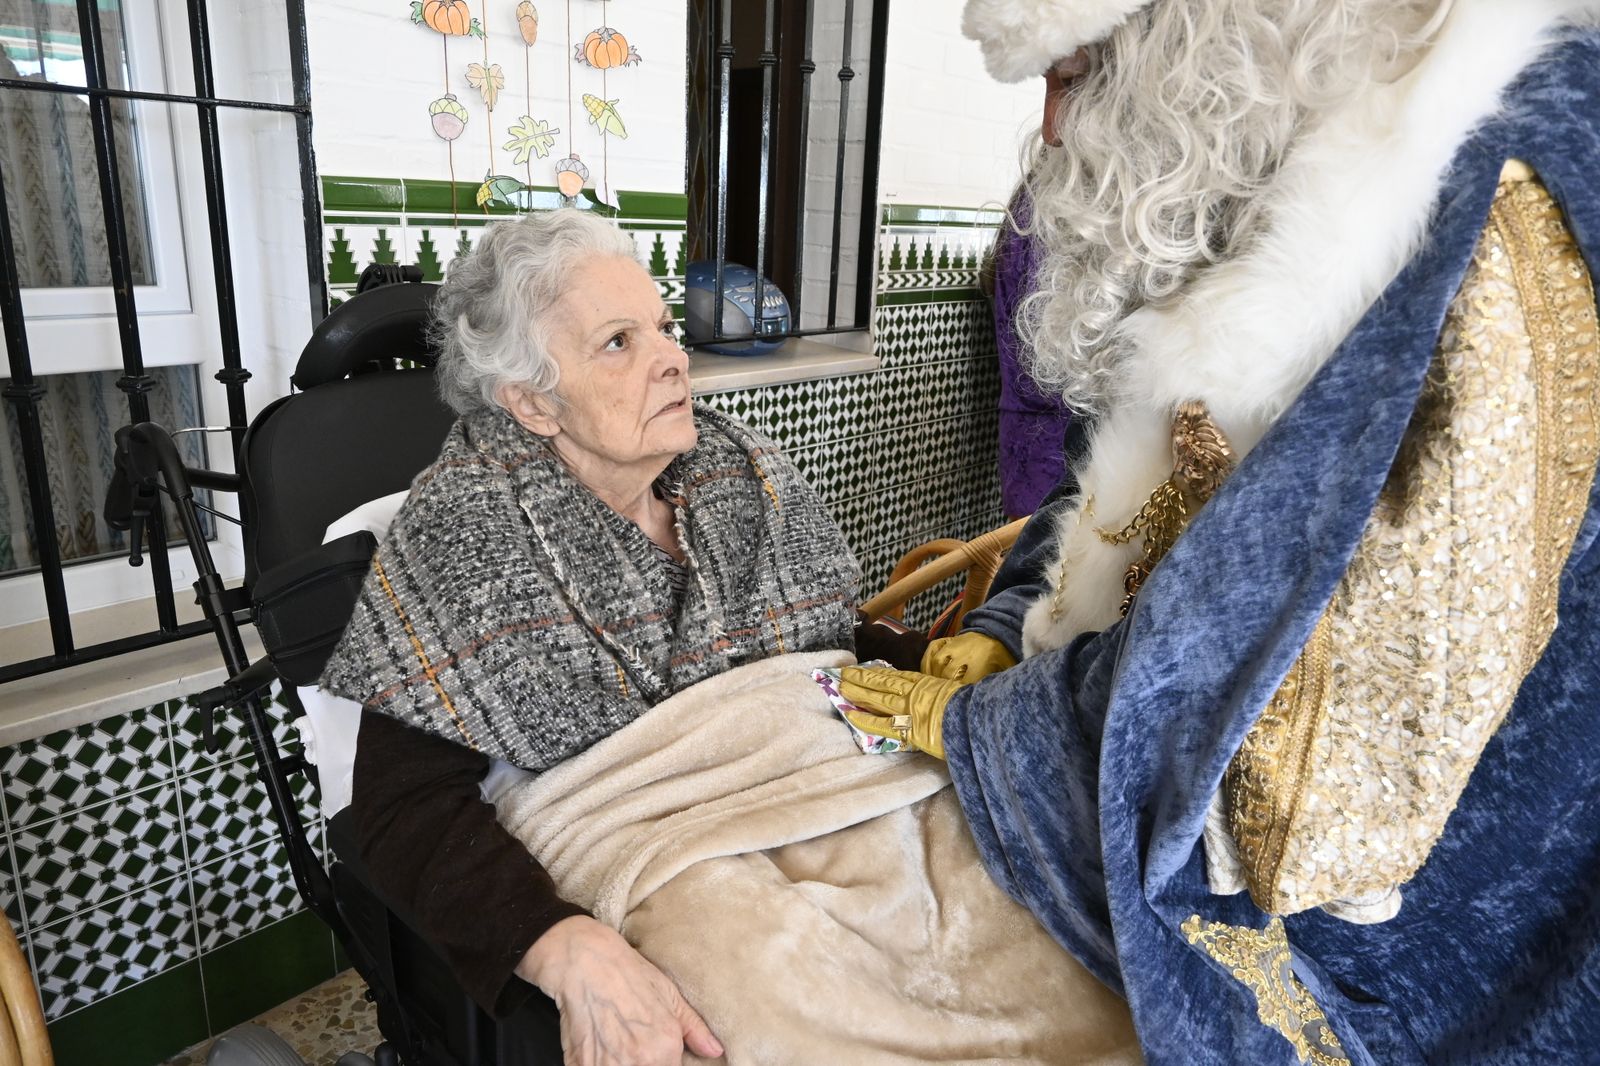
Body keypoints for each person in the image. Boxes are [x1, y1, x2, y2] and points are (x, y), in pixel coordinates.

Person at [841, 0, 1600, 1062]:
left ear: (1190, 35)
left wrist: (988, 732)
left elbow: (1317, 770)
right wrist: (1013, 620)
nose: (1053, 130)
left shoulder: (1486, 186)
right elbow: (1136, 492)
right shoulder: (1269, 149)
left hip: (1408, 973)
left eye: (1073, 77)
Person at [321, 208, 884, 1065]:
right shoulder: (465, 536)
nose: (671, 356)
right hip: (674, 866)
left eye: (660, 326)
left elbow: (836, 646)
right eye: (618, 342)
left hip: (836, 806)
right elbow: (401, 812)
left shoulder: (741, 472)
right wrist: (563, 946)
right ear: (533, 403)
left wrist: (953, 670)